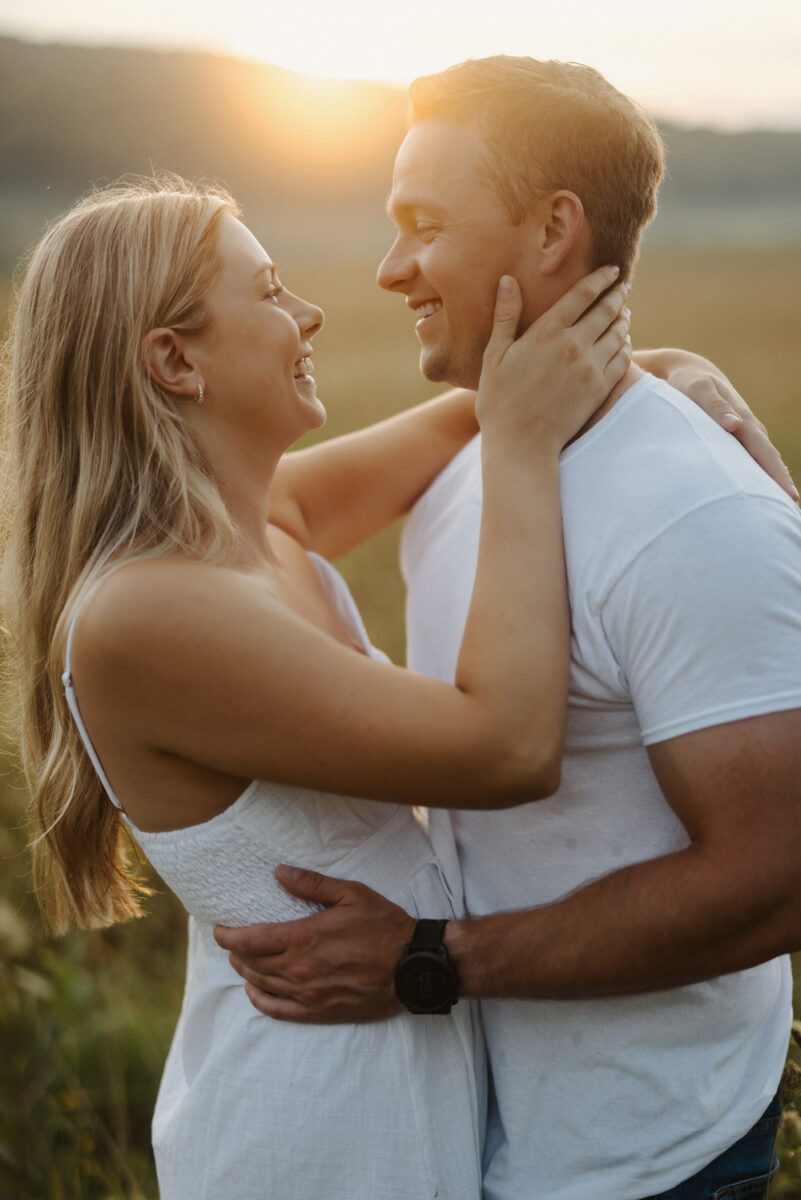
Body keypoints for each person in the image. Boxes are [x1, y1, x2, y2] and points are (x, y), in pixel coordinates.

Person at [1, 172, 655, 1198]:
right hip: (309, 1134)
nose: (307, 315)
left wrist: (660, 379)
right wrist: (524, 446)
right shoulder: (146, 614)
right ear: (173, 360)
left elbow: (475, 415)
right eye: (267, 293)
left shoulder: (255, 532)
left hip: (389, 1090)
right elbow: (508, 747)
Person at [216, 58, 801, 1200]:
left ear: (553, 233)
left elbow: (778, 876)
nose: (390, 270)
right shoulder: (479, 455)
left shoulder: (695, 514)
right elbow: (259, 508)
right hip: (494, 1142)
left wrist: (432, 964)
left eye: (424, 225)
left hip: (658, 1161)